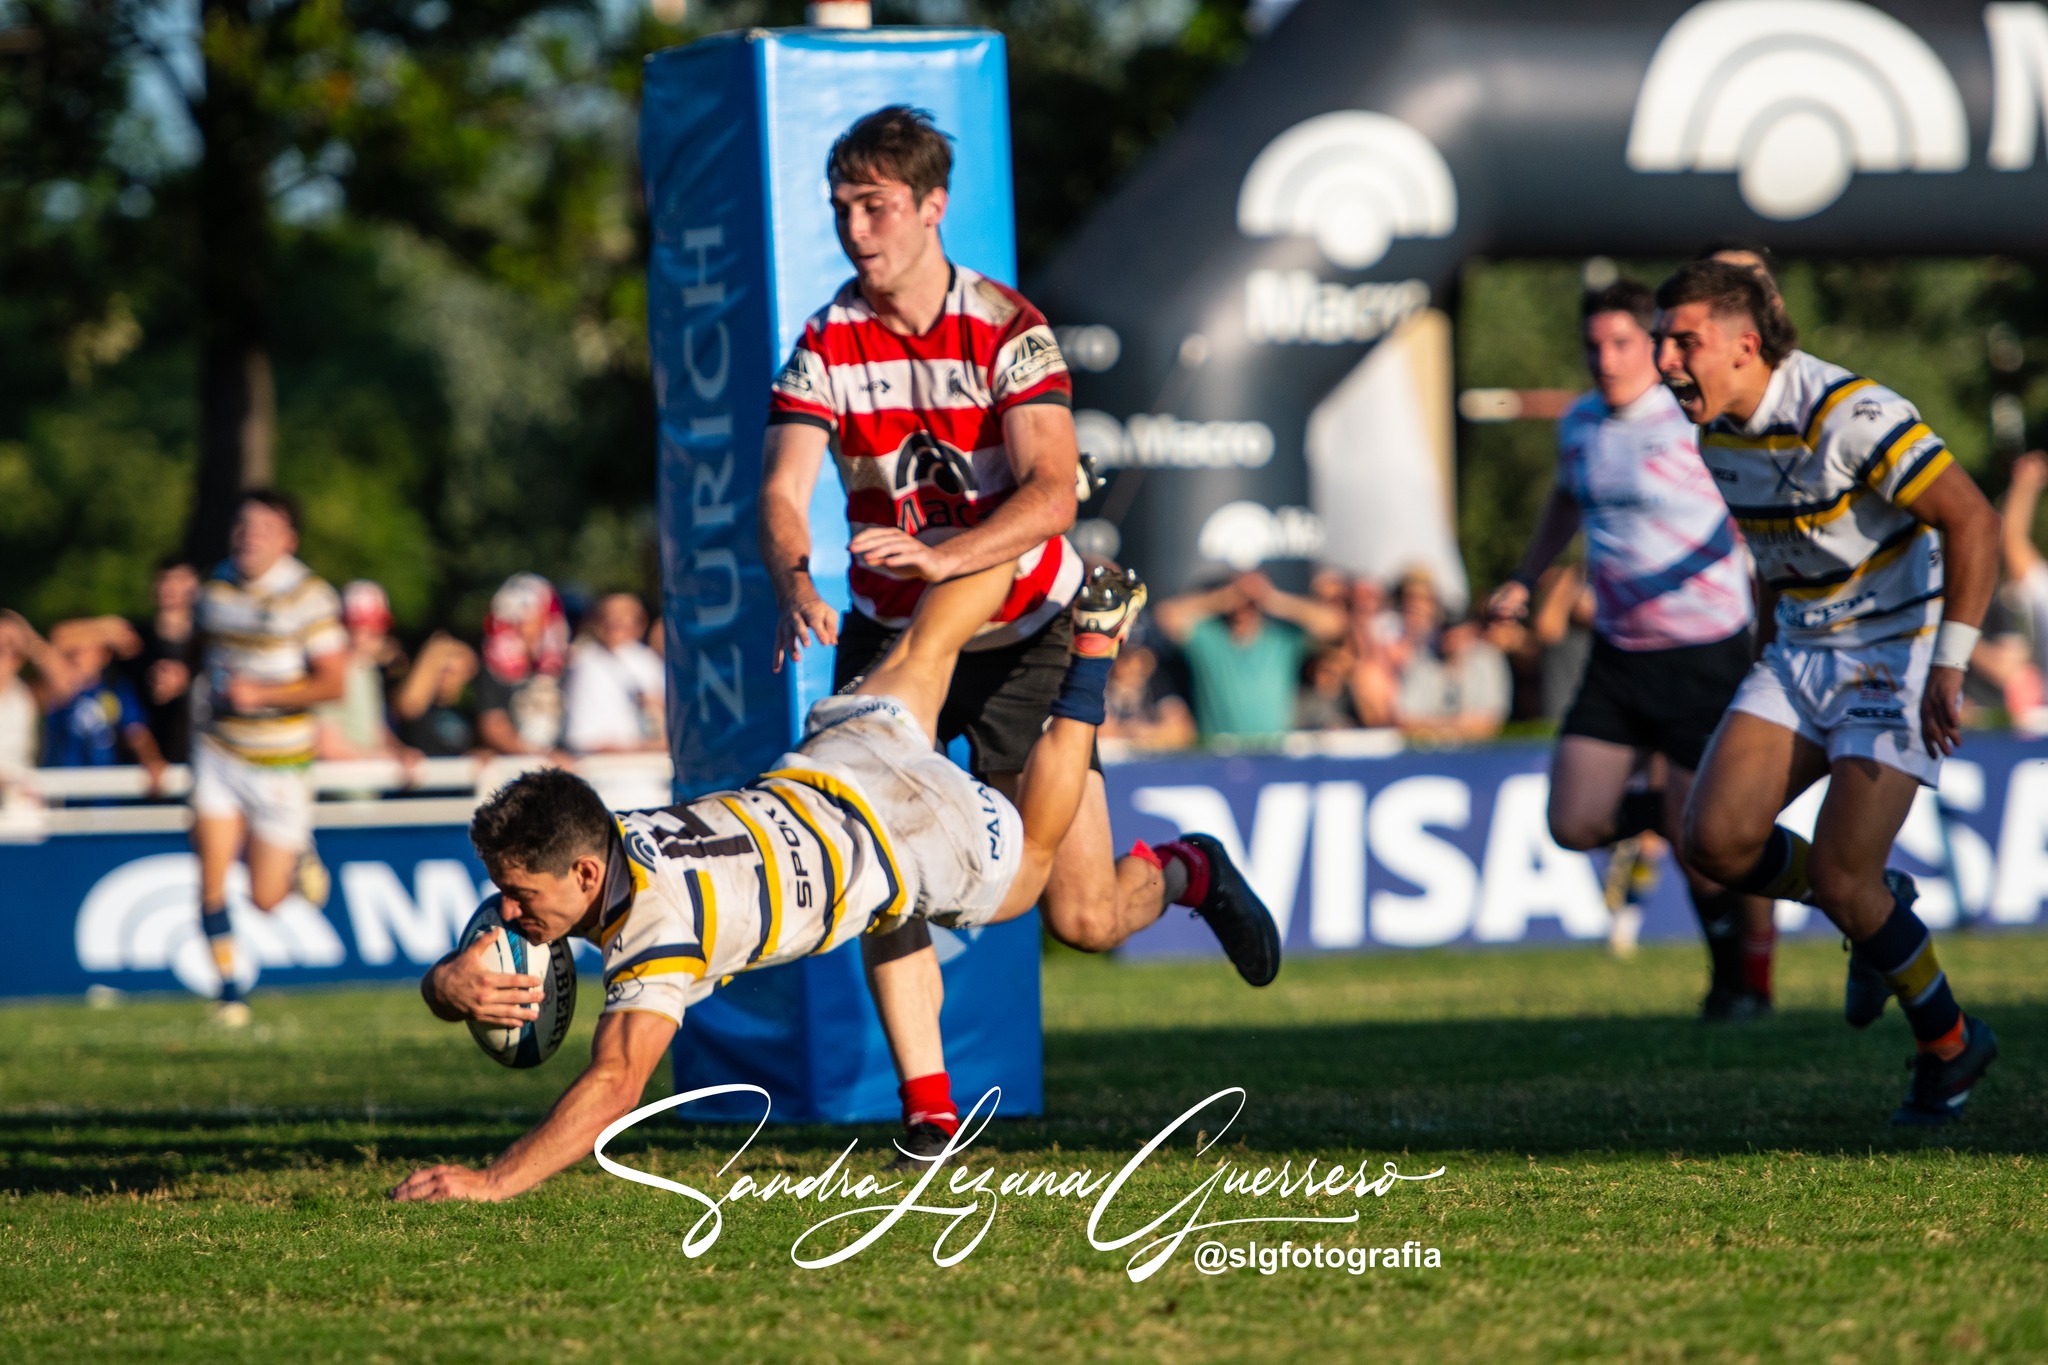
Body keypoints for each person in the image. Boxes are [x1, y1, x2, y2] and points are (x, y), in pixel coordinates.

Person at [390, 565, 1281, 1203]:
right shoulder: (603, 831)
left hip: (917, 833)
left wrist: (496, 1180)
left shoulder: (661, 935)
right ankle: (1032, 533)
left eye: (519, 891)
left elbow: (617, 1081)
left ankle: (1094, 657)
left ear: (585, 872)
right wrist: (445, 982)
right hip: (838, 765)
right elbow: (519, 928)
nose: (509, 911)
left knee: (1037, 874)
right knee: (929, 644)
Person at [759, 106, 1235, 1159]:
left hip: (1025, 628)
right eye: (840, 206)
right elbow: (784, 488)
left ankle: (1189, 872)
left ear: (931, 208)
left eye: (874, 205)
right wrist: (795, 575)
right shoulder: (826, 339)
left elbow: (1052, 491)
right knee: (873, 861)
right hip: (892, 642)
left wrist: (943, 557)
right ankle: (926, 1103)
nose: (853, 227)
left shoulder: (1008, 327)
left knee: (1083, 918)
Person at [1656, 259, 2003, 1124]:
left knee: (1846, 874)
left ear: (1743, 346)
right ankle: (1881, 908)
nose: (1664, 360)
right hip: (1802, 648)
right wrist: (1768, 645)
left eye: (1681, 340)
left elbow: (1974, 520)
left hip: (1897, 652)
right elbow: (1780, 554)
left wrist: (1951, 663)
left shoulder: (1850, 415)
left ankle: (1951, 1046)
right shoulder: (1716, 433)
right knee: (1715, 840)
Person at [1487, 279, 1772, 1019]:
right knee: (1574, 821)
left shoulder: (1694, 420)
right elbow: (1563, 499)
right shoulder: (1580, 424)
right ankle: (1666, 817)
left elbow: (1760, 505)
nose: (1605, 359)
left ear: (1653, 345)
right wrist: (1525, 575)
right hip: (1618, 653)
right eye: (1593, 345)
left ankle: (1735, 983)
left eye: (1621, 343)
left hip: (1703, 650)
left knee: (1706, 849)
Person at [190, 491, 348, 1026]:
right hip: (217, 749)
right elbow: (205, 656)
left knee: (264, 897)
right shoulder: (214, 587)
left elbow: (334, 682)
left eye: (263, 526)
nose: (248, 534)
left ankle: (298, 854)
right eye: (242, 523)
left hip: (280, 761)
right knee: (209, 875)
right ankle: (230, 991)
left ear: (288, 540)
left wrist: (261, 695)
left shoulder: (309, 596)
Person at [1153, 570, 1349, 742]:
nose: (1243, 606)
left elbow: (1334, 624)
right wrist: (1222, 598)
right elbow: (1165, 615)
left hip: (1272, 752)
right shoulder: (1209, 639)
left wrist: (1273, 599)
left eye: (1249, 601)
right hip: (1218, 754)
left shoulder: (1281, 640)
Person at [35, 617, 167, 789]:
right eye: (73, 650)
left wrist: (151, 759)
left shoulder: (116, 690)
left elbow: (137, 733)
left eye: (86, 649)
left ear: (104, 655)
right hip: (62, 796)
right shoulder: (57, 691)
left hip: (104, 797)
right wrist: (105, 628)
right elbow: (56, 639)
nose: (76, 655)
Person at [316, 581, 410, 762]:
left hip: (368, 786)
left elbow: (376, 732)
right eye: (356, 626)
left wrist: (401, 753)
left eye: (372, 628)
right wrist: (380, 759)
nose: (362, 636)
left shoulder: (367, 669)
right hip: (339, 786)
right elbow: (327, 747)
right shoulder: (332, 671)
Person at [476, 573, 569, 757]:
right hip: (518, 768)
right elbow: (493, 725)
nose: (519, 624)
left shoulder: (568, 660)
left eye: (528, 616)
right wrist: (541, 756)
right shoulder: (492, 665)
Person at [562, 593, 666, 754]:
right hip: (597, 762)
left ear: (640, 622)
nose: (613, 621)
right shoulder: (583, 659)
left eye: (623, 615)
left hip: (645, 766)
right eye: (607, 614)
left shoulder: (650, 663)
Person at [127, 560, 199, 765]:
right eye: (163, 579)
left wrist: (187, 682)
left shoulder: (208, 645)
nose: (169, 587)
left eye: (178, 579)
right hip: (138, 769)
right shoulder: (133, 640)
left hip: (196, 763)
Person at [394, 632, 481, 758]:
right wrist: (435, 653)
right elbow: (408, 705)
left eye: (453, 672)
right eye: (442, 670)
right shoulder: (417, 710)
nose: (446, 677)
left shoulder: (469, 710)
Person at [1099, 642, 1196, 750]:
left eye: (1143, 658)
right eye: (1127, 660)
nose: (1136, 666)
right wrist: (1129, 731)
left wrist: (1146, 733)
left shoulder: (1156, 685)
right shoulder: (1102, 686)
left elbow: (1183, 730)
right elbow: (1099, 732)